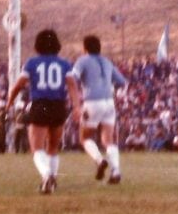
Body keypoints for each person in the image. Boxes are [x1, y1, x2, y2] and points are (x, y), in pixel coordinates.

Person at [8, 29, 77, 194]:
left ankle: (46, 176)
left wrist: (9, 102)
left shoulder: (32, 63)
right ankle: (52, 181)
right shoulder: (65, 63)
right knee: (53, 146)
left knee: (36, 148)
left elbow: (18, 85)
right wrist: (77, 107)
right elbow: (72, 86)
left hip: (40, 105)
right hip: (59, 106)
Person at [70, 35, 127, 184]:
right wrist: (110, 88)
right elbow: (122, 81)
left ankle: (99, 160)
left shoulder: (83, 60)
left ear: (85, 48)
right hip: (109, 102)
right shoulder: (107, 61)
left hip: (92, 102)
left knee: (85, 138)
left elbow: (72, 78)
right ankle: (116, 171)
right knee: (108, 140)